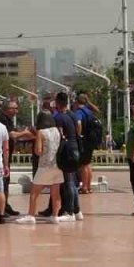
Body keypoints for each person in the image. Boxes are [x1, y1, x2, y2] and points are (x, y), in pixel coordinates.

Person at [16, 112, 63, 224]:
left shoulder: (41, 132)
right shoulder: (57, 131)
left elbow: (38, 151)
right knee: (55, 192)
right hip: (57, 165)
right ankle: (55, 215)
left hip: (44, 166)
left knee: (34, 192)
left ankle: (31, 215)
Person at [51, 92, 82, 222]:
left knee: (68, 182)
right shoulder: (72, 115)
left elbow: (59, 134)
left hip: (66, 152)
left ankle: (69, 212)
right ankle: (77, 211)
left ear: (57, 103)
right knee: (73, 181)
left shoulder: (58, 118)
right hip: (75, 149)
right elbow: (79, 126)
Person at [73, 92, 100, 194]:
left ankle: (84, 187)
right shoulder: (89, 111)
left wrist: (78, 135)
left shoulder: (79, 112)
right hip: (91, 140)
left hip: (84, 140)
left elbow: (79, 123)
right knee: (88, 164)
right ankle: (88, 186)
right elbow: (97, 110)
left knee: (83, 165)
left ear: (76, 101)